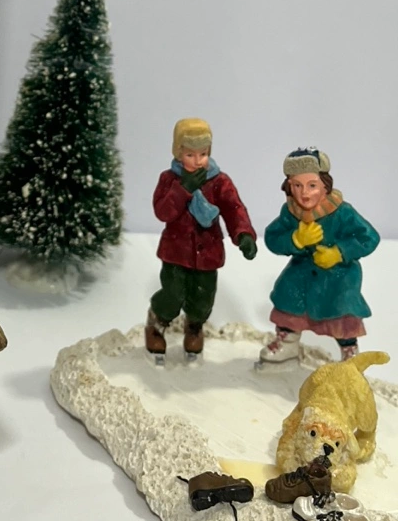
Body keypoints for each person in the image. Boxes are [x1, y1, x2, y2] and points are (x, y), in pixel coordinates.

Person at [146, 118, 257, 361]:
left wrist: (244, 234)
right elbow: (163, 212)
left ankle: (195, 326)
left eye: (203, 154)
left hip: (207, 253)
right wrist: (183, 189)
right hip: (176, 252)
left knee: (203, 299)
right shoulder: (169, 180)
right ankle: (157, 322)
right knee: (173, 294)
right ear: (178, 153)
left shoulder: (219, 181)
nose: (198, 161)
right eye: (190, 155)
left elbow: (234, 208)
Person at [259, 147, 380, 364]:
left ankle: (349, 351)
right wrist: (296, 240)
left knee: (342, 314)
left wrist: (339, 252)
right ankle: (288, 342)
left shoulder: (342, 212)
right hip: (301, 275)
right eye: (297, 186)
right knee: (288, 303)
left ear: (325, 185)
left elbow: (369, 237)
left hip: (338, 277)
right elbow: (271, 237)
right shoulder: (290, 212)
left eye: (312, 185)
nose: (304, 193)